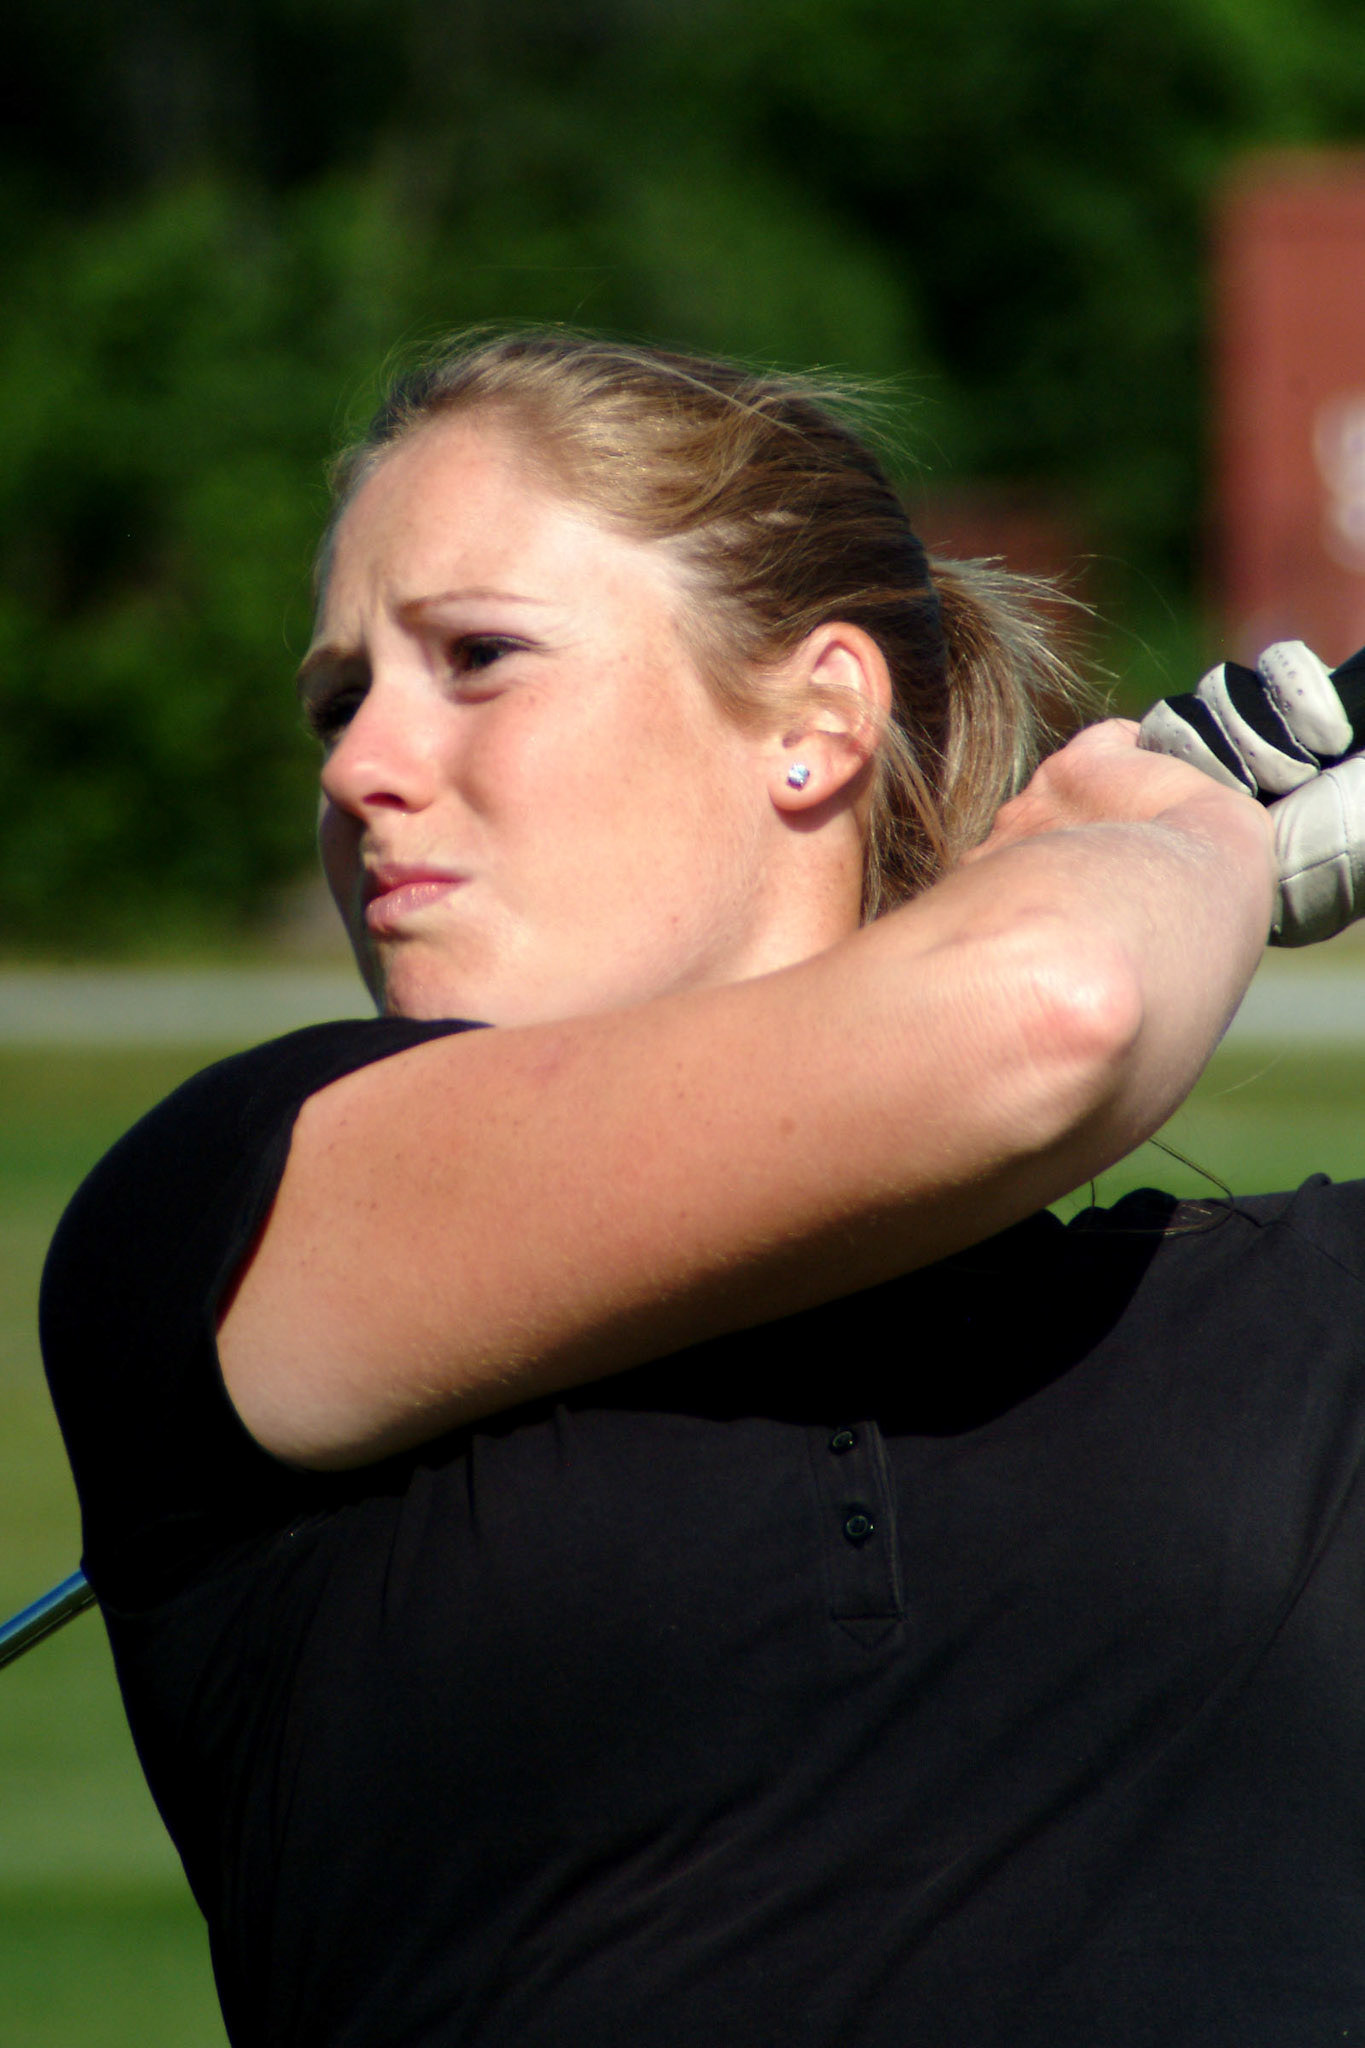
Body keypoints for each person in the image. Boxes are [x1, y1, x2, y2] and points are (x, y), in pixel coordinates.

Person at [37, 332, 1362, 2047]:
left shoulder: (1283, 1314)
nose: (356, 767)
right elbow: (1051, 1014)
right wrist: (1188, 832)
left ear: (814, 724)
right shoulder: (234, 1209)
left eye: (477, 659)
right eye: (339, 696)